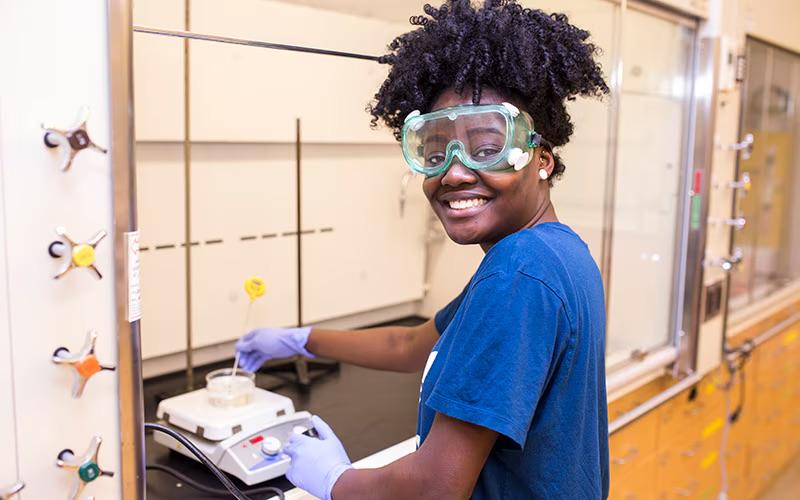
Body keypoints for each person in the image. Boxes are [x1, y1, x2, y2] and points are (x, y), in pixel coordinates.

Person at [235, 1, 610, 498]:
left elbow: (436, 487)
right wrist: (301, 340)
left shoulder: (520, 273)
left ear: (541, 159)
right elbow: (409, 345)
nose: (452, 172)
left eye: (486, 147)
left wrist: (334, 480)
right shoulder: (556, 253)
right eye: (434, 153)